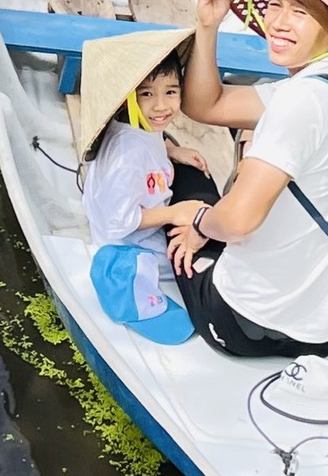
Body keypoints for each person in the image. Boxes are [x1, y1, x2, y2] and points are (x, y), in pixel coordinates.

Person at [164, 0, 328, 359]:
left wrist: (200, 220)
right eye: (277, 3)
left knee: (185, 177)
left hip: (247, 323)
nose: (280, 22)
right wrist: (207, 26)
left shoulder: (299, 103)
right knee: (241, 122)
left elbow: (237, 221)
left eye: (300, 12)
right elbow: (207, 105)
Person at [75, 32, 222, 344]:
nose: (161, 106)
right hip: (130, 238)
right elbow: (119, 222)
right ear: (129, 98)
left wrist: (171, 150)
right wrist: (177, 212)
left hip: (140, 206)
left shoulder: (136, 126)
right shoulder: (129, 155)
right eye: (146, 94)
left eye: (171, 92)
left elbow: (151, 138)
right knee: (209, 254)